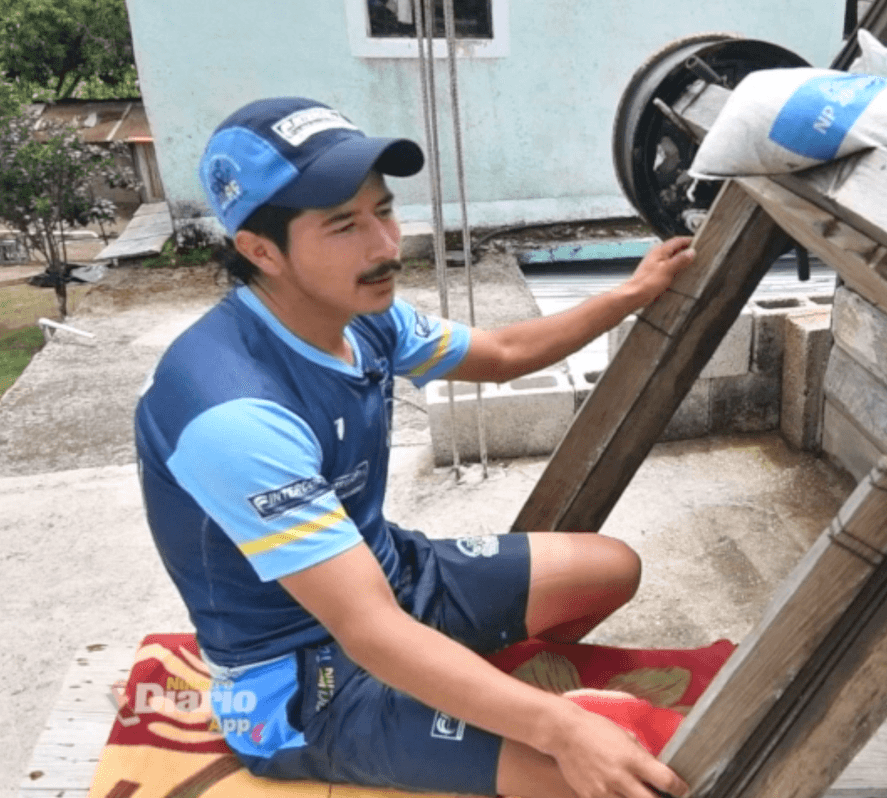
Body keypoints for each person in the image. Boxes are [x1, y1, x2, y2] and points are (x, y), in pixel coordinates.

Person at [134, 96, 697, 798]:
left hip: (390, 578)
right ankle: (446, 720)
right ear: (260, 250)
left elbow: (504, 351)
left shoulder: (363, 316)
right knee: (592, 771)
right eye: (344, 225)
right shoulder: (232, 411)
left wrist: (630, 293)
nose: (385, 245)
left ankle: (451, 699)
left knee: (609, 568)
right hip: (302, 680)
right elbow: (366, 629)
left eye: (384, 211)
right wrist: (558, 728)